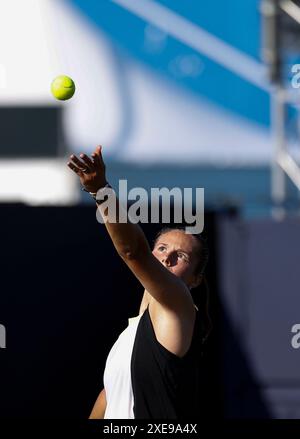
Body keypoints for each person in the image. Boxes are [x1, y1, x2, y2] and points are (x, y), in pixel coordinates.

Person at [67, 145, 211, 419]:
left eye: (179, 256)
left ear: (195, 279)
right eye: (161, 249)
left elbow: (132, 250)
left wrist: (101, 192)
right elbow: (110, 396)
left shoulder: (179, 304)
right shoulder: (130, 335)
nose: (167, 258)